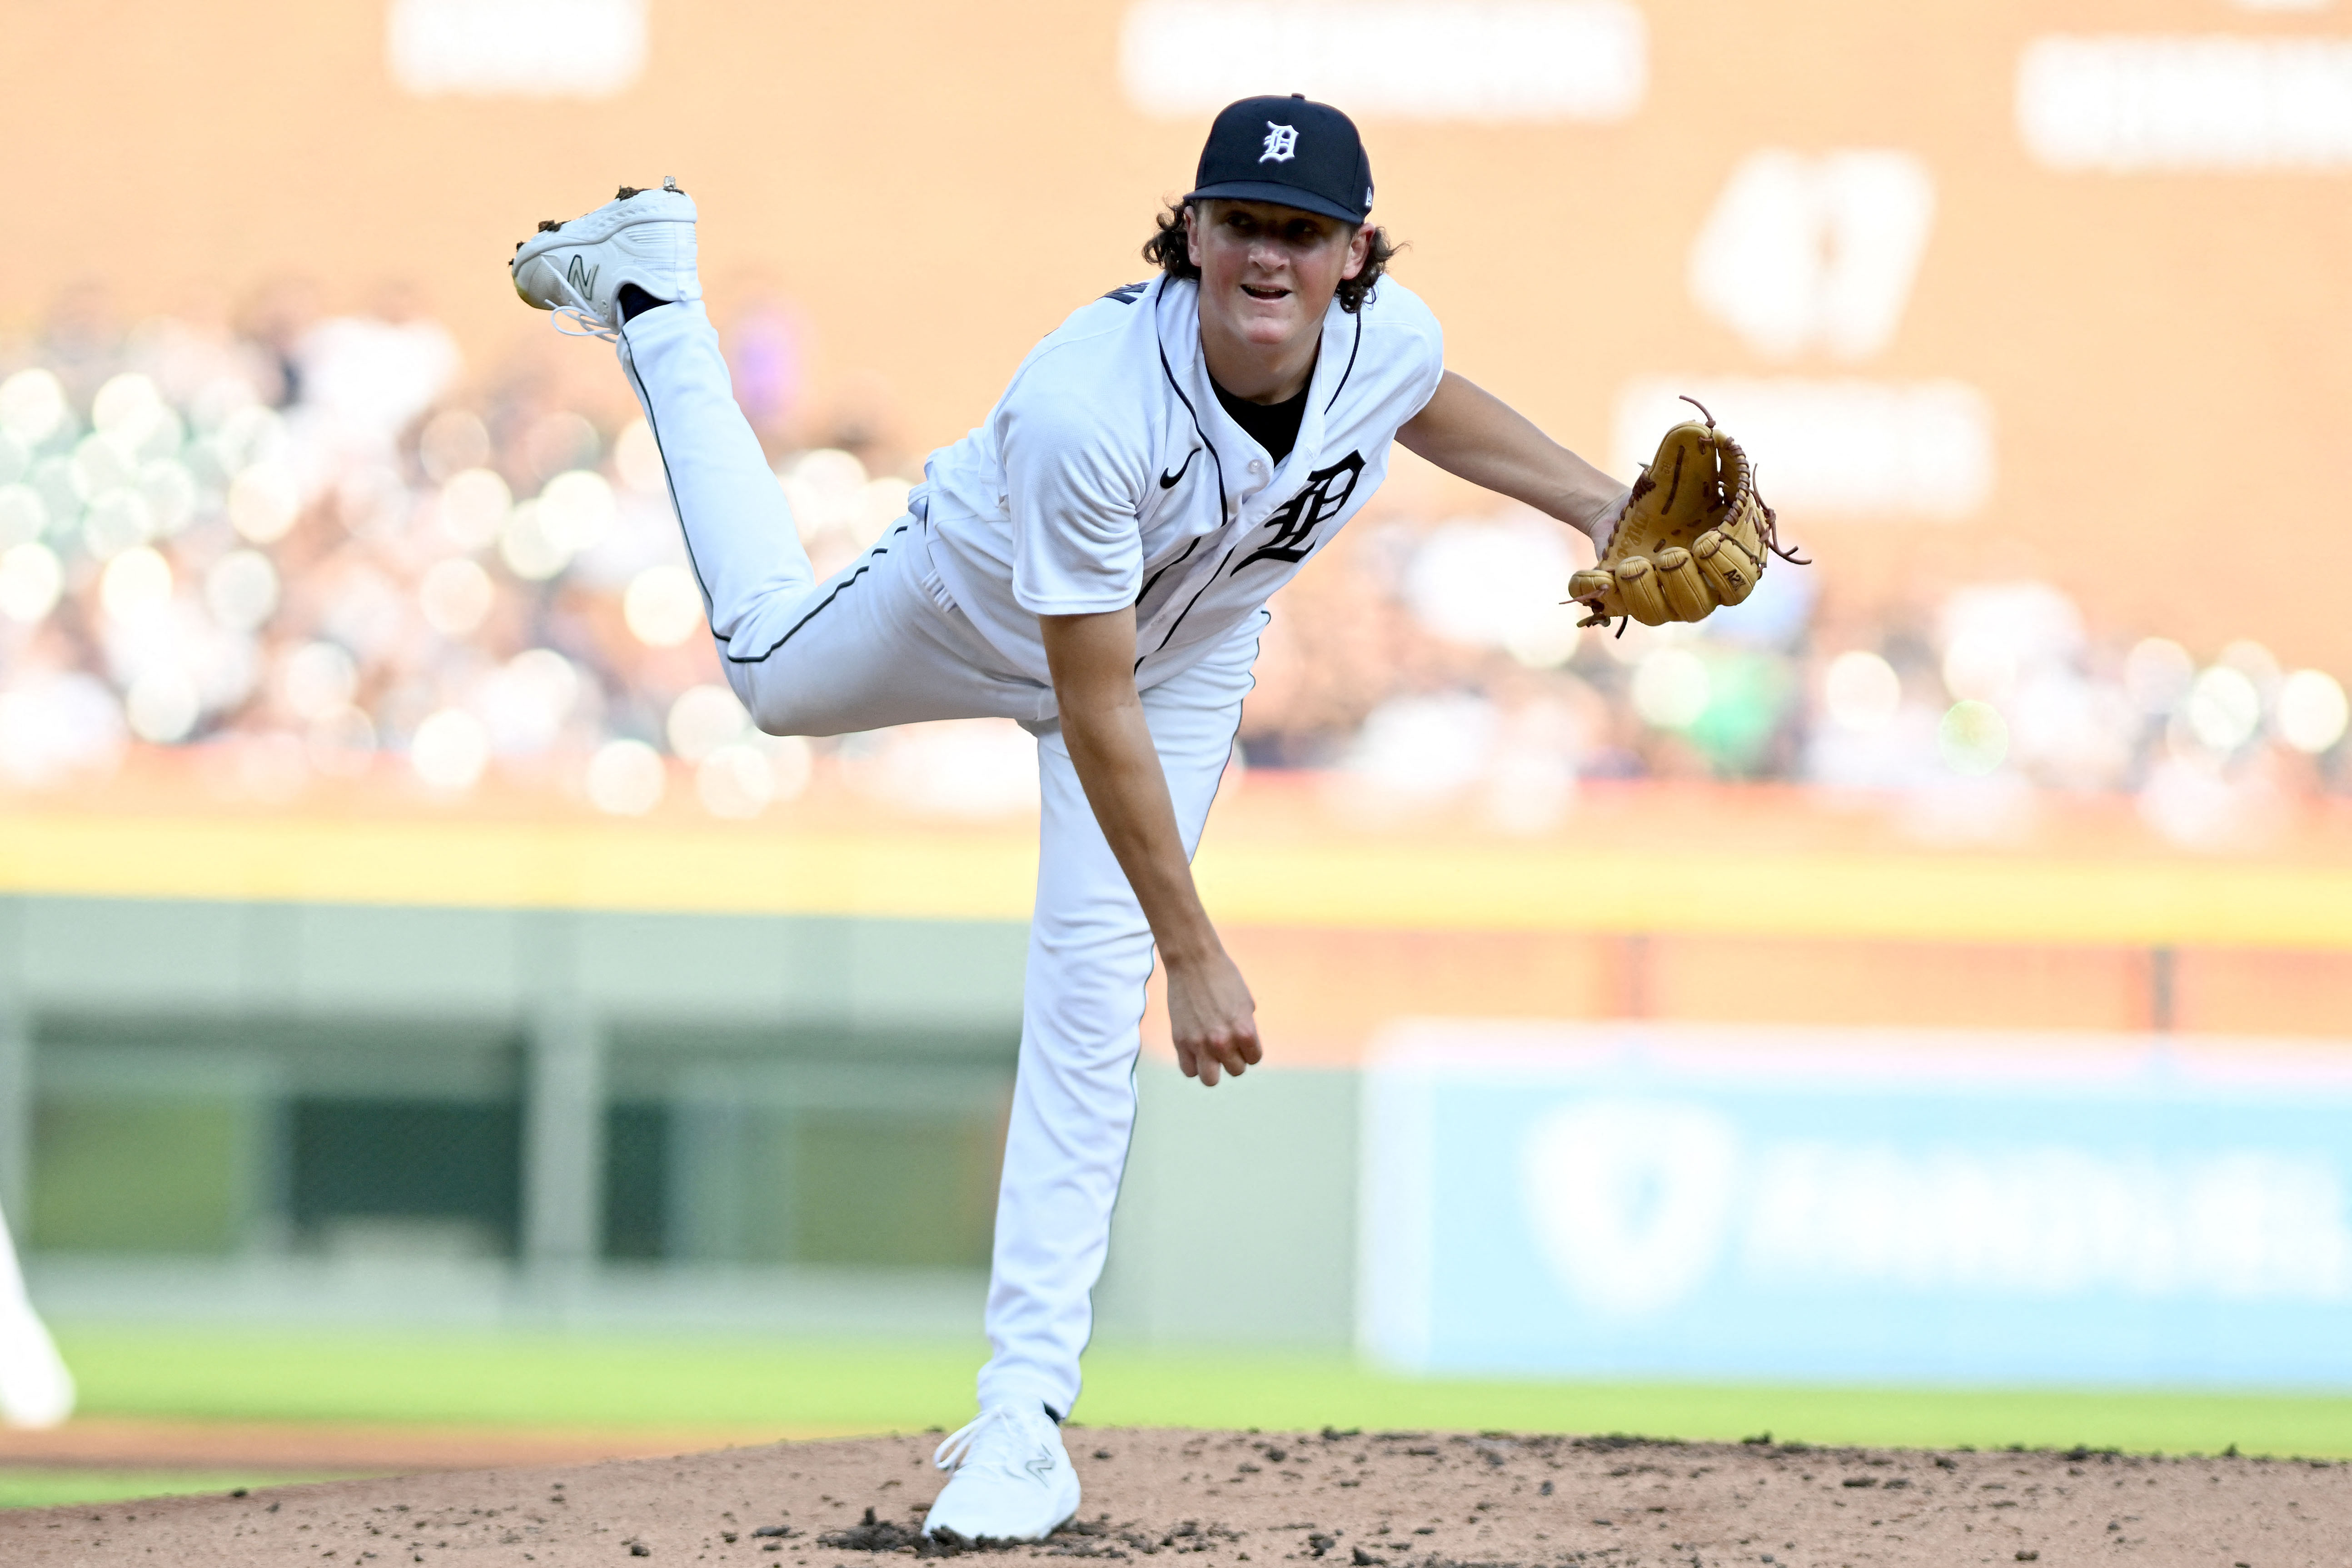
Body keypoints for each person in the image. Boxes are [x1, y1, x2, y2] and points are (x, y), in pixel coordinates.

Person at [510, 94, 1628, 1542]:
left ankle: (1022, 1419)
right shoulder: (1089, 406)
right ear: (1195, 232)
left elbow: (1421, 396)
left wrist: (1600, 504)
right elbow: (1087, 698)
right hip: (982, 603)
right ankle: (655, 295)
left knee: (1089, 1002)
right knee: (776, 679)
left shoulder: (1385, 337)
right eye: (1240, 224)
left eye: (1300, 231)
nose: (1268, 257)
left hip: (1189, 650)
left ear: (1355, 250)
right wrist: (1198, 944)